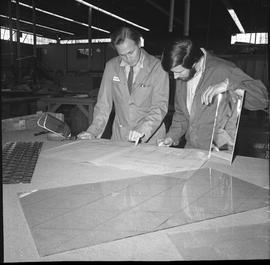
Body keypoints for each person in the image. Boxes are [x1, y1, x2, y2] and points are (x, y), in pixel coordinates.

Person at [157, 37, 268, 150]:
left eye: (179, 72)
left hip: (218, 151)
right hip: (191, 149)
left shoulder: (224, 70)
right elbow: (181, 115)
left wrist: (230, 85)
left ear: (195, 62)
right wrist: (171, 137)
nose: (175, 77)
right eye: (173, 73)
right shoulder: (182, 78)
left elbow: (261, 100)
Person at [77, 27, 169, 144]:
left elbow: (159, 107)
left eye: (131, 52)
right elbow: (103, 105)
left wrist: (142, 130)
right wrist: (93, 131)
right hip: (120, 137)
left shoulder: (157, 67)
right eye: (122, 55)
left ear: (139, 43)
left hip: (150, 137)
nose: (128, 58)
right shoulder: (111, 67)